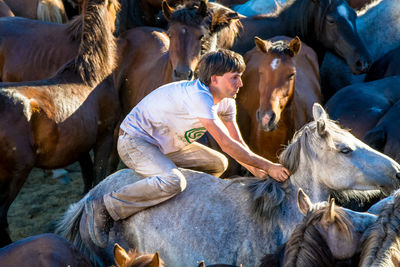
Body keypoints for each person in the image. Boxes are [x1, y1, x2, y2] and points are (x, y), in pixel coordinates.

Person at [85, 49, 290, 247]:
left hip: (169, 146)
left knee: (218, 163)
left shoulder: (227, 101)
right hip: (135, 141)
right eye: (234, 77)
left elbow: (236, 141)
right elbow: (225, 144)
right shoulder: (199, 97)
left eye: (240, 77)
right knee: (174, 181)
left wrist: (257, 170)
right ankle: (106, 207)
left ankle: (180, 202)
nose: (241, 83)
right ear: (215, 80)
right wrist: (270, 166)